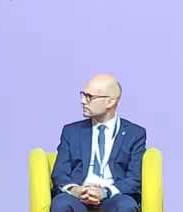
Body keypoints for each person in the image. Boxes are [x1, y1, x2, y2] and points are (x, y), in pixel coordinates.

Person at [49, 74, 146, 212]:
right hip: (78, 197)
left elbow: (134, 179)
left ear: (110, 102)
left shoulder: (134, 134)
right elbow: (59, 173)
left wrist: (104, 192)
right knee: (61, 203)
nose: (82, 101)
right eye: (83, 95)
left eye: (89, 97)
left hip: (113, 197)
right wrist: (76, 190)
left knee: (126, 206)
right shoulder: (71, 131)